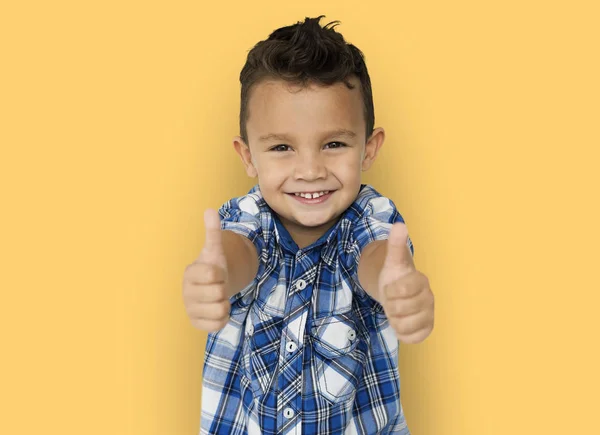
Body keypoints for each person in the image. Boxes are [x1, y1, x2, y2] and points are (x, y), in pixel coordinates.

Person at [182, 15, 435, 435]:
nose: (311, 170)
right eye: (282, 147)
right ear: (248, 157)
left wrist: (395, 286)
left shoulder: (371, 219)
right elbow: (238, 250)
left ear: (368, 149)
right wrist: (216, 277)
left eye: (333, 144)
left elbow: (374, 257)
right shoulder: (249, 216)